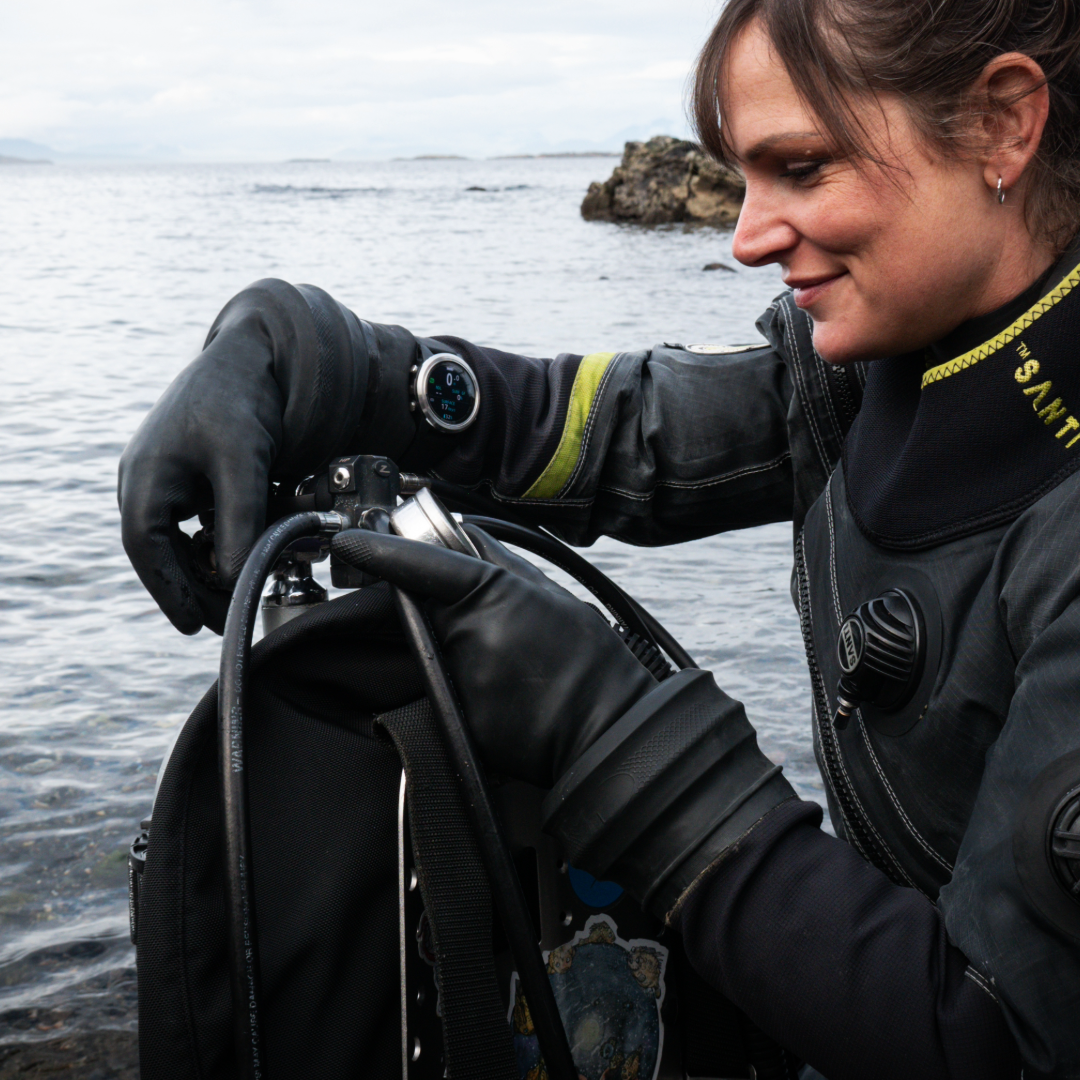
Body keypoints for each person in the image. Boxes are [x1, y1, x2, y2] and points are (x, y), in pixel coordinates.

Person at [117, 0, 1080, 1076]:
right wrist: (322, 360)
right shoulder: (867, 367)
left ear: (1003, 124)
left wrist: (597, 724)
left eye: (802, 168)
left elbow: (1003, 1042)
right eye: (743, 175)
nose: (747, 235)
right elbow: (627, 435)